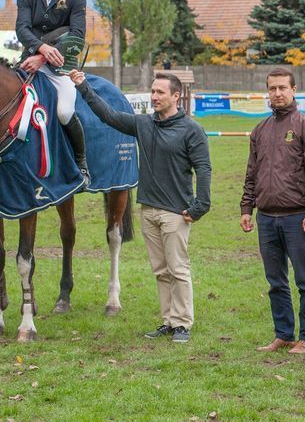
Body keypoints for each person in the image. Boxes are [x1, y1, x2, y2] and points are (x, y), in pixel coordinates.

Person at [68, 69, 211, 343]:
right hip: (148, 210)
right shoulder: (143, 124)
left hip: (176, 212)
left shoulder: (192, 130)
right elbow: (108, 115)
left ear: (176, 96)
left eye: (160, 92)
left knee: (178, 269)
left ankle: (183, 323)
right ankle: (168, 321)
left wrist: (200, 205)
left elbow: (203, 168)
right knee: (161, 270)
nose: (154, 96)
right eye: (153, 91)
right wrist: (83, 86)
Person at [240, 68, 305, 355]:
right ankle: (284, 334)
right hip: (266, 218)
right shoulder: (260, 130)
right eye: (272, 88)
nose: (277, 93)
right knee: (275, 281)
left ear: (294, 90)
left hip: (297, 217)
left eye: (282, 88)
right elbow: (251, 173)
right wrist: (247, 207)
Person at [16, 0, 90, 184]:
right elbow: (22, 29)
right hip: (29, 63)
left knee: (65, 111)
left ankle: (81, 164)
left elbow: (77, 34)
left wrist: (43, 56)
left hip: (62, 68)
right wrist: (40, 49)